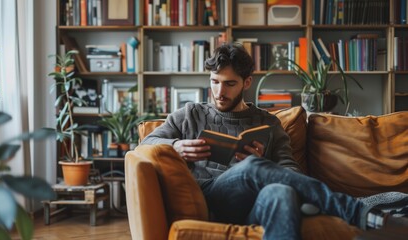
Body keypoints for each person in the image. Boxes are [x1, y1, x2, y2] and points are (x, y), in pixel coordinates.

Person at [141, 43, 408, 240]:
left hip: (257, 204)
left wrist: (263, 164)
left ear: (247, 82)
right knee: (252, 169)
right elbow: (144, 145)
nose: (219, 92)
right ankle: (358, 211)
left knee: (282, 190)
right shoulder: (190, 114)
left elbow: (291, 171)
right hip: (212, 197)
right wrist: (175, 148)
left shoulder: (268, 123)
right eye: (214, 82)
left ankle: (358, 212)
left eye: (229, 84)